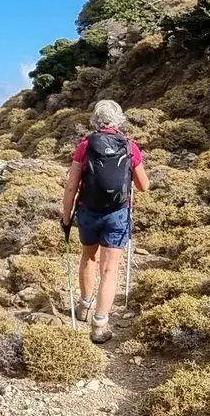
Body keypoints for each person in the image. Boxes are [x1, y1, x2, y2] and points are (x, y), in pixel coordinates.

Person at [61, 99, 151, 343]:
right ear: (119, 119)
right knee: (110, 269)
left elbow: (71, 187)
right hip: (118, 214)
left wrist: (66, 216)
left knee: (88, 257)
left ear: (95, 121)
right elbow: (143, 186)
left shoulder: (85, 145)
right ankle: (100, 324)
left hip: (88, 212)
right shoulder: (130, 146)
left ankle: (84, 306)